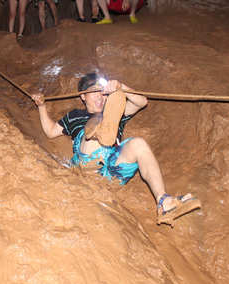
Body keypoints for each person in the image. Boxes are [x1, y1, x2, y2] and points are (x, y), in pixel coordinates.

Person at [31, 73, 201, 226]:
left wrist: (121, 88)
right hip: (87, 165)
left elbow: (142, 102)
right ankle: (100, 128)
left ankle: (164, 201)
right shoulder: (75, 115)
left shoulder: (116, 111)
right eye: (94, 91)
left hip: (113, 170)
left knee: (138, 143)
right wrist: (41, 106)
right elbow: (51, 131)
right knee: (94, 124)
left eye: (104, 92)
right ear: (82, 96)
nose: (101, 95)